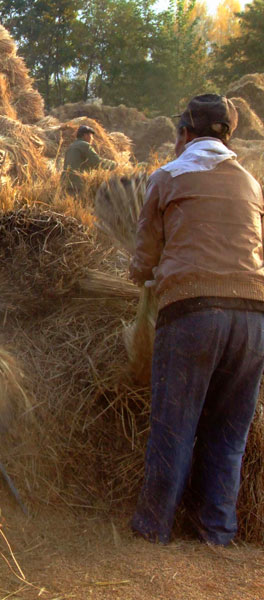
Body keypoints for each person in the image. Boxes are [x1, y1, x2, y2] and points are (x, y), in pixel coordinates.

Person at [129, 94, 264, 546]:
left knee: (175, 424)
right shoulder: (251, 182)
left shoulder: (168, 176)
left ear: (185, 132)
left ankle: (154, 527)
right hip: (254, 318)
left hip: (192, 313)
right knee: (230, 433)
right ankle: (218, 533)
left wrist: (141, 276)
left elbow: (143, 260)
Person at [61, 124, 116, 192]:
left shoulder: (71, 146)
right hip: (78, 184)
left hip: (65, 183)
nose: (92, 139)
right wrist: (115, 165)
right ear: (85, 135)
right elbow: (97, 162)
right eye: (91, 136)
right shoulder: (84, 145)